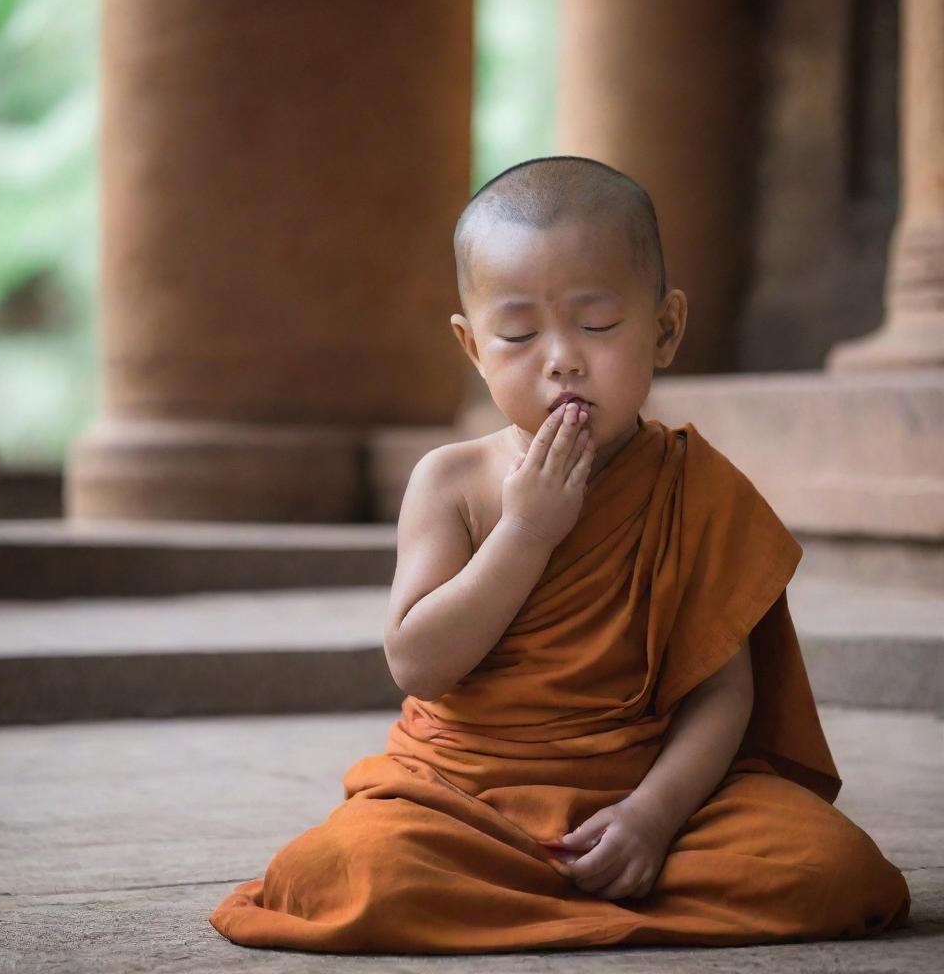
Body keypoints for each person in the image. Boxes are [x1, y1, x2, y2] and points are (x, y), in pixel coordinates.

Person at [208, 155, 912, 954]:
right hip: (467, 800)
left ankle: (588, 882)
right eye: (517, 333)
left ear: (667, 329)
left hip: (645, 785)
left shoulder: (697, 487)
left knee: (832, 870)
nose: (561, 359)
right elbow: (418, 663)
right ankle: (585, 897)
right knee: (347, 869)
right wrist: (525, 534)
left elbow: (723, 696)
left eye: (600, 324)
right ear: (472, 348)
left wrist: (652, 817)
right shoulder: (454, 483)